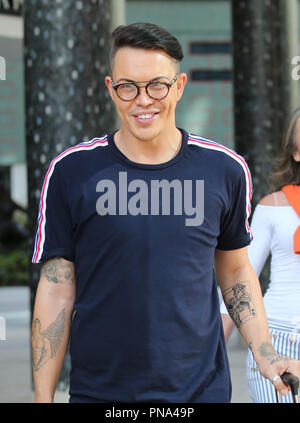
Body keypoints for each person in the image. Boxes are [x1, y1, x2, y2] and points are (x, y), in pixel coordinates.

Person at [31, 22, 300, 403]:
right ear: (110, 88)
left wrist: (265, 352)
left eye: (157, 84)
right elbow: (57, 288)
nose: (142, 99)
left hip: (200, 392)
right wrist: (42, 399)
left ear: (179, 86)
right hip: (101, 394)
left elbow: (236, 270)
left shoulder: (223, 169)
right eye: (127, 86)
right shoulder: (72, 172)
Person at [221, 107, 300, 402]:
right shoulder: (272, 206)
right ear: (295, 152)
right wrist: (212, 349)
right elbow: (239, 275)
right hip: (276, 343)